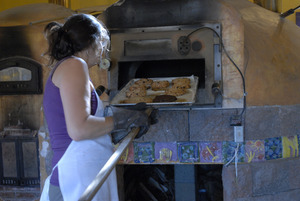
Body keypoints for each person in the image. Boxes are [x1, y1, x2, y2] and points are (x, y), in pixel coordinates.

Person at [41, 14, 152, 201]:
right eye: (102, 43)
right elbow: (79, 129)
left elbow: (86, 125)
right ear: (92, 41)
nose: (102, 51)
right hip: (74, 180)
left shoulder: (71, 67)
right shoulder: (74, 65)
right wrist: (123, 120)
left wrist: (127, 119)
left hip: (81, 175)